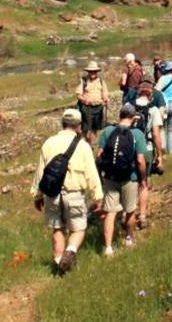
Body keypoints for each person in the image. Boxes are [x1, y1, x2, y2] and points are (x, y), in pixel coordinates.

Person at [30, 108, 103, 275]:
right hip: (74, 194)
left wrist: (37, 194)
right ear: (79, 126)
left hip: (52, 194)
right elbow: (91, 173)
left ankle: (58, 265)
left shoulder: (49, 143)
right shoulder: (83, 146)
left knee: (58, 228)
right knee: (78, 228)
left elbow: (40, 172)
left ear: (62, 123)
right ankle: (70, 251)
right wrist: (97, 196)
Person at [97, 103, 149, 255]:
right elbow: (140, 160)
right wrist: (143, 179)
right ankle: (128, 239)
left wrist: (100, 176)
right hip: (129, 177)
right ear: (133, 118)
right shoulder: (137, 134)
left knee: (110, 212)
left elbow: (99, 156)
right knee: (130, 210)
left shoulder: (107, 131)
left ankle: (108, 248)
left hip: (110, 177)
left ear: (120, 115)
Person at [131, 81, 165, 229]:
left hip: (129, 148)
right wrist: (160, 156)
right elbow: (156, 134)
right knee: (144, 183)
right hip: (147, 148)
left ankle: (128, 213)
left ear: (139, 92)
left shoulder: (128, 106)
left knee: (130, 181)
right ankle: (142, 215)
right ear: (151, 93)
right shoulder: (153, 110)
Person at [75, 61, 109, 142]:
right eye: (91, 71)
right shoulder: (83, 81)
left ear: (97, 72)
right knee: (85, 128)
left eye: (94, 71)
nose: (92, 73)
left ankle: (92, 144)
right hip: (86, 108)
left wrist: (106, 99)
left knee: (95, 128)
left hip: (98, 107)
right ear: (88, 72)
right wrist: (84, 100)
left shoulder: (101, 81)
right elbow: (78, 95)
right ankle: (83, 144)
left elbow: (105, 93)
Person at [155, 60, 172, 156]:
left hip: (164, 105)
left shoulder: (162, 79)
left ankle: (163, 149)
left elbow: (157, 91)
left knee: (162, 127)